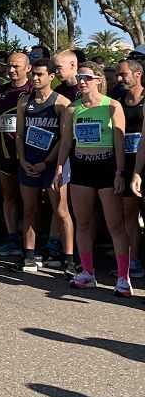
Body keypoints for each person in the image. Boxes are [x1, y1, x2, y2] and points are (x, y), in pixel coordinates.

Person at [54, 63, 132, 296]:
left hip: (107, 168)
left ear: (98, 79)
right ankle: (87, 272)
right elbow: (66, 142)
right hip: (82, 168)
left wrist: (120, 172)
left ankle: (123, 277)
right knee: (84, 223)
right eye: (79, 77)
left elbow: (120, 142)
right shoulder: (72, 109)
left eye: (86, 77)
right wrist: (59, 167)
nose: (81, 81)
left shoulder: (112, 106)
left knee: (115, 225)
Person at [12, 61, 74, 275]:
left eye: (40, 74)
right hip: (28, 163)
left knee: (61, 211)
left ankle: (69, 260)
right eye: (34, 74)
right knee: (29, 209)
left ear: (51, 76)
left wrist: (47, 163)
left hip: (52, 165)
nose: (35, 78)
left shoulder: (62, 103)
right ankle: (29, 255)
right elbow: (19, 135)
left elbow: (65, 139)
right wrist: (22, 160)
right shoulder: (23, 102)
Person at [0, 53, 34, 258]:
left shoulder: (34, 90)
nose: (11, 70)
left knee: (30, 202)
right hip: (3, 153)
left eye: (16, 66)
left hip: (29, 155)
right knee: (8, 197)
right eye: (9, 66)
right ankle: (12, 239)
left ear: (28, 68)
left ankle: (33, 243)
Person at [115, 59, 145, 279]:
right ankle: (132, 258)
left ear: (137, 75)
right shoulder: (118, 102)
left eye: (123, 74)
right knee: (128, 213)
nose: (119, 78)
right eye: (118, 74)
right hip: (126, 165)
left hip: (144, 167)